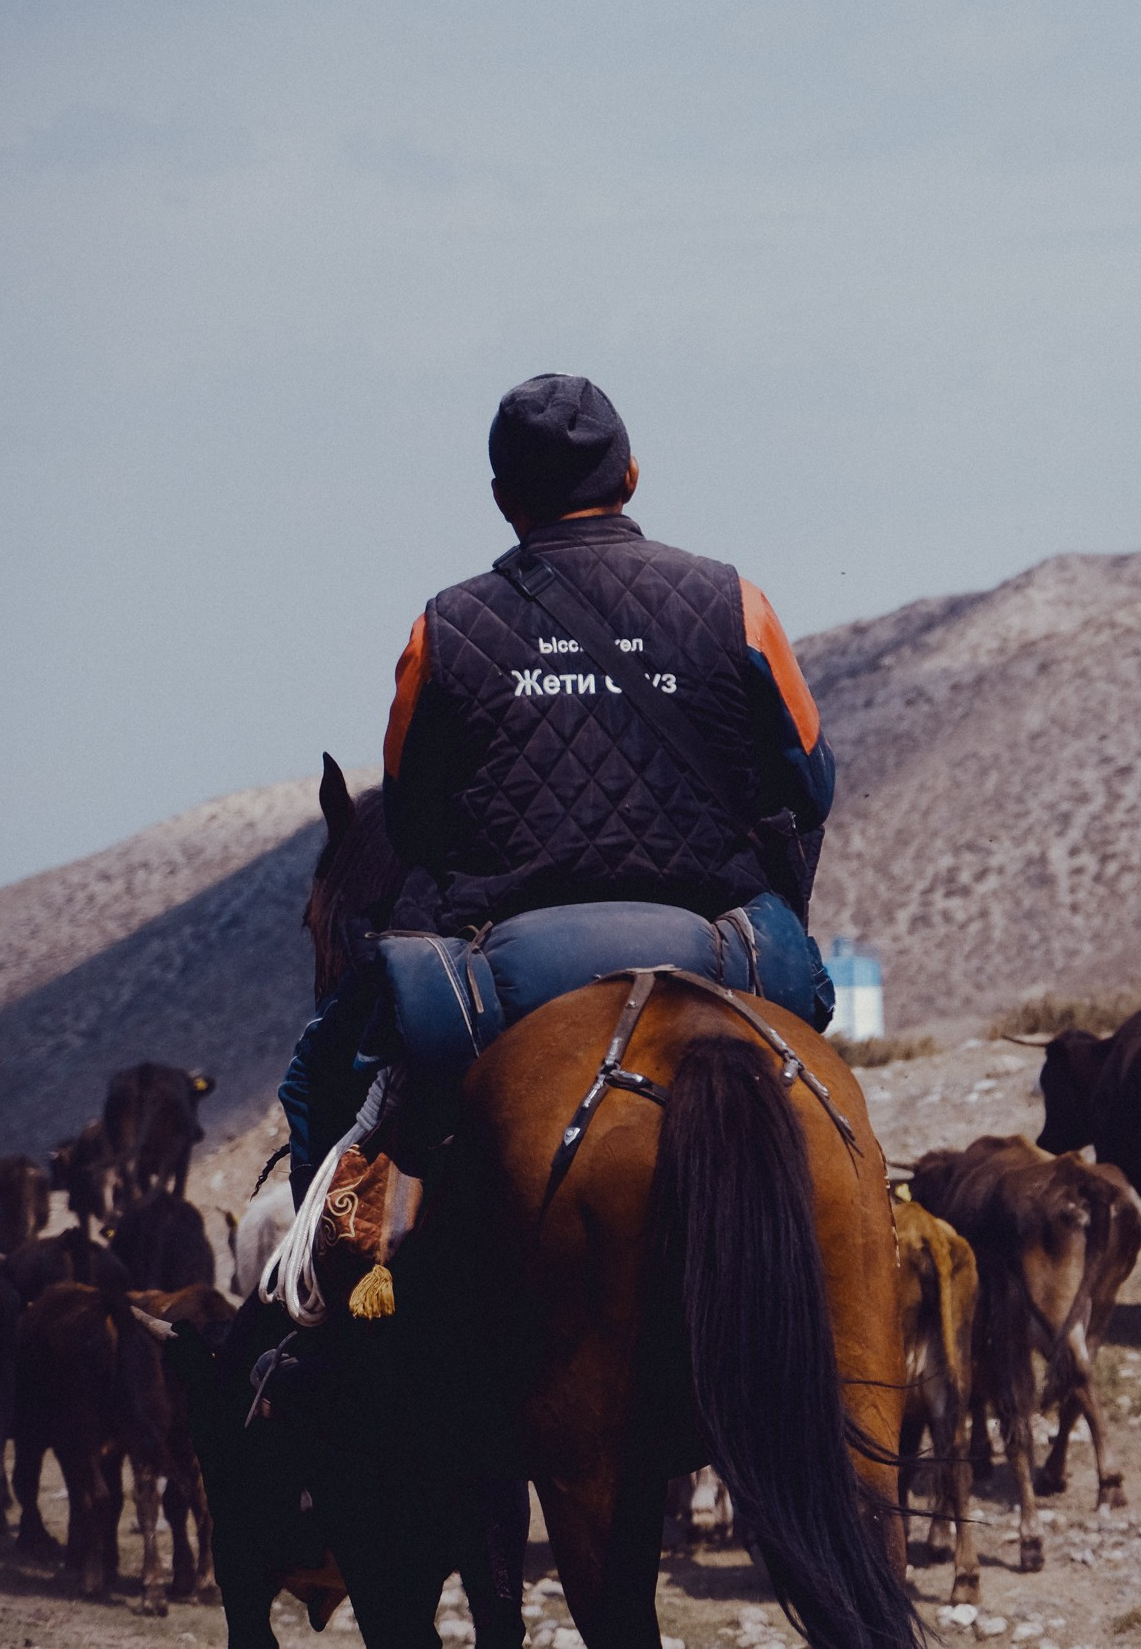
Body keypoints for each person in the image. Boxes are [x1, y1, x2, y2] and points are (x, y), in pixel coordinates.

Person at [274, 373, 837, 1197]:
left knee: (317, 1081)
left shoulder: (446, 627)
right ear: (632, 475)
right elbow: (811, 783)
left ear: (504, 499)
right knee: (831, 1111)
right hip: (722, 948)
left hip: (510, 968)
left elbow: (411, 824)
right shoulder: (737, 604)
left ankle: (333, 1300)